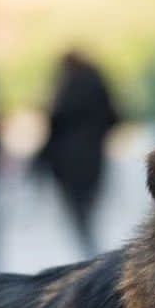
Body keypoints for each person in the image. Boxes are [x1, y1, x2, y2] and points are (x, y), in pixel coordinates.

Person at [34, 51, 119, 256]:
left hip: (67, 164)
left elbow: (53, 128)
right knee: (89, 212)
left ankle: (91, 255)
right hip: (94, 159)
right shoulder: (97, 85)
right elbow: (114, 117)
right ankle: (94, 254)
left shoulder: (64, 90)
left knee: (78, 217)